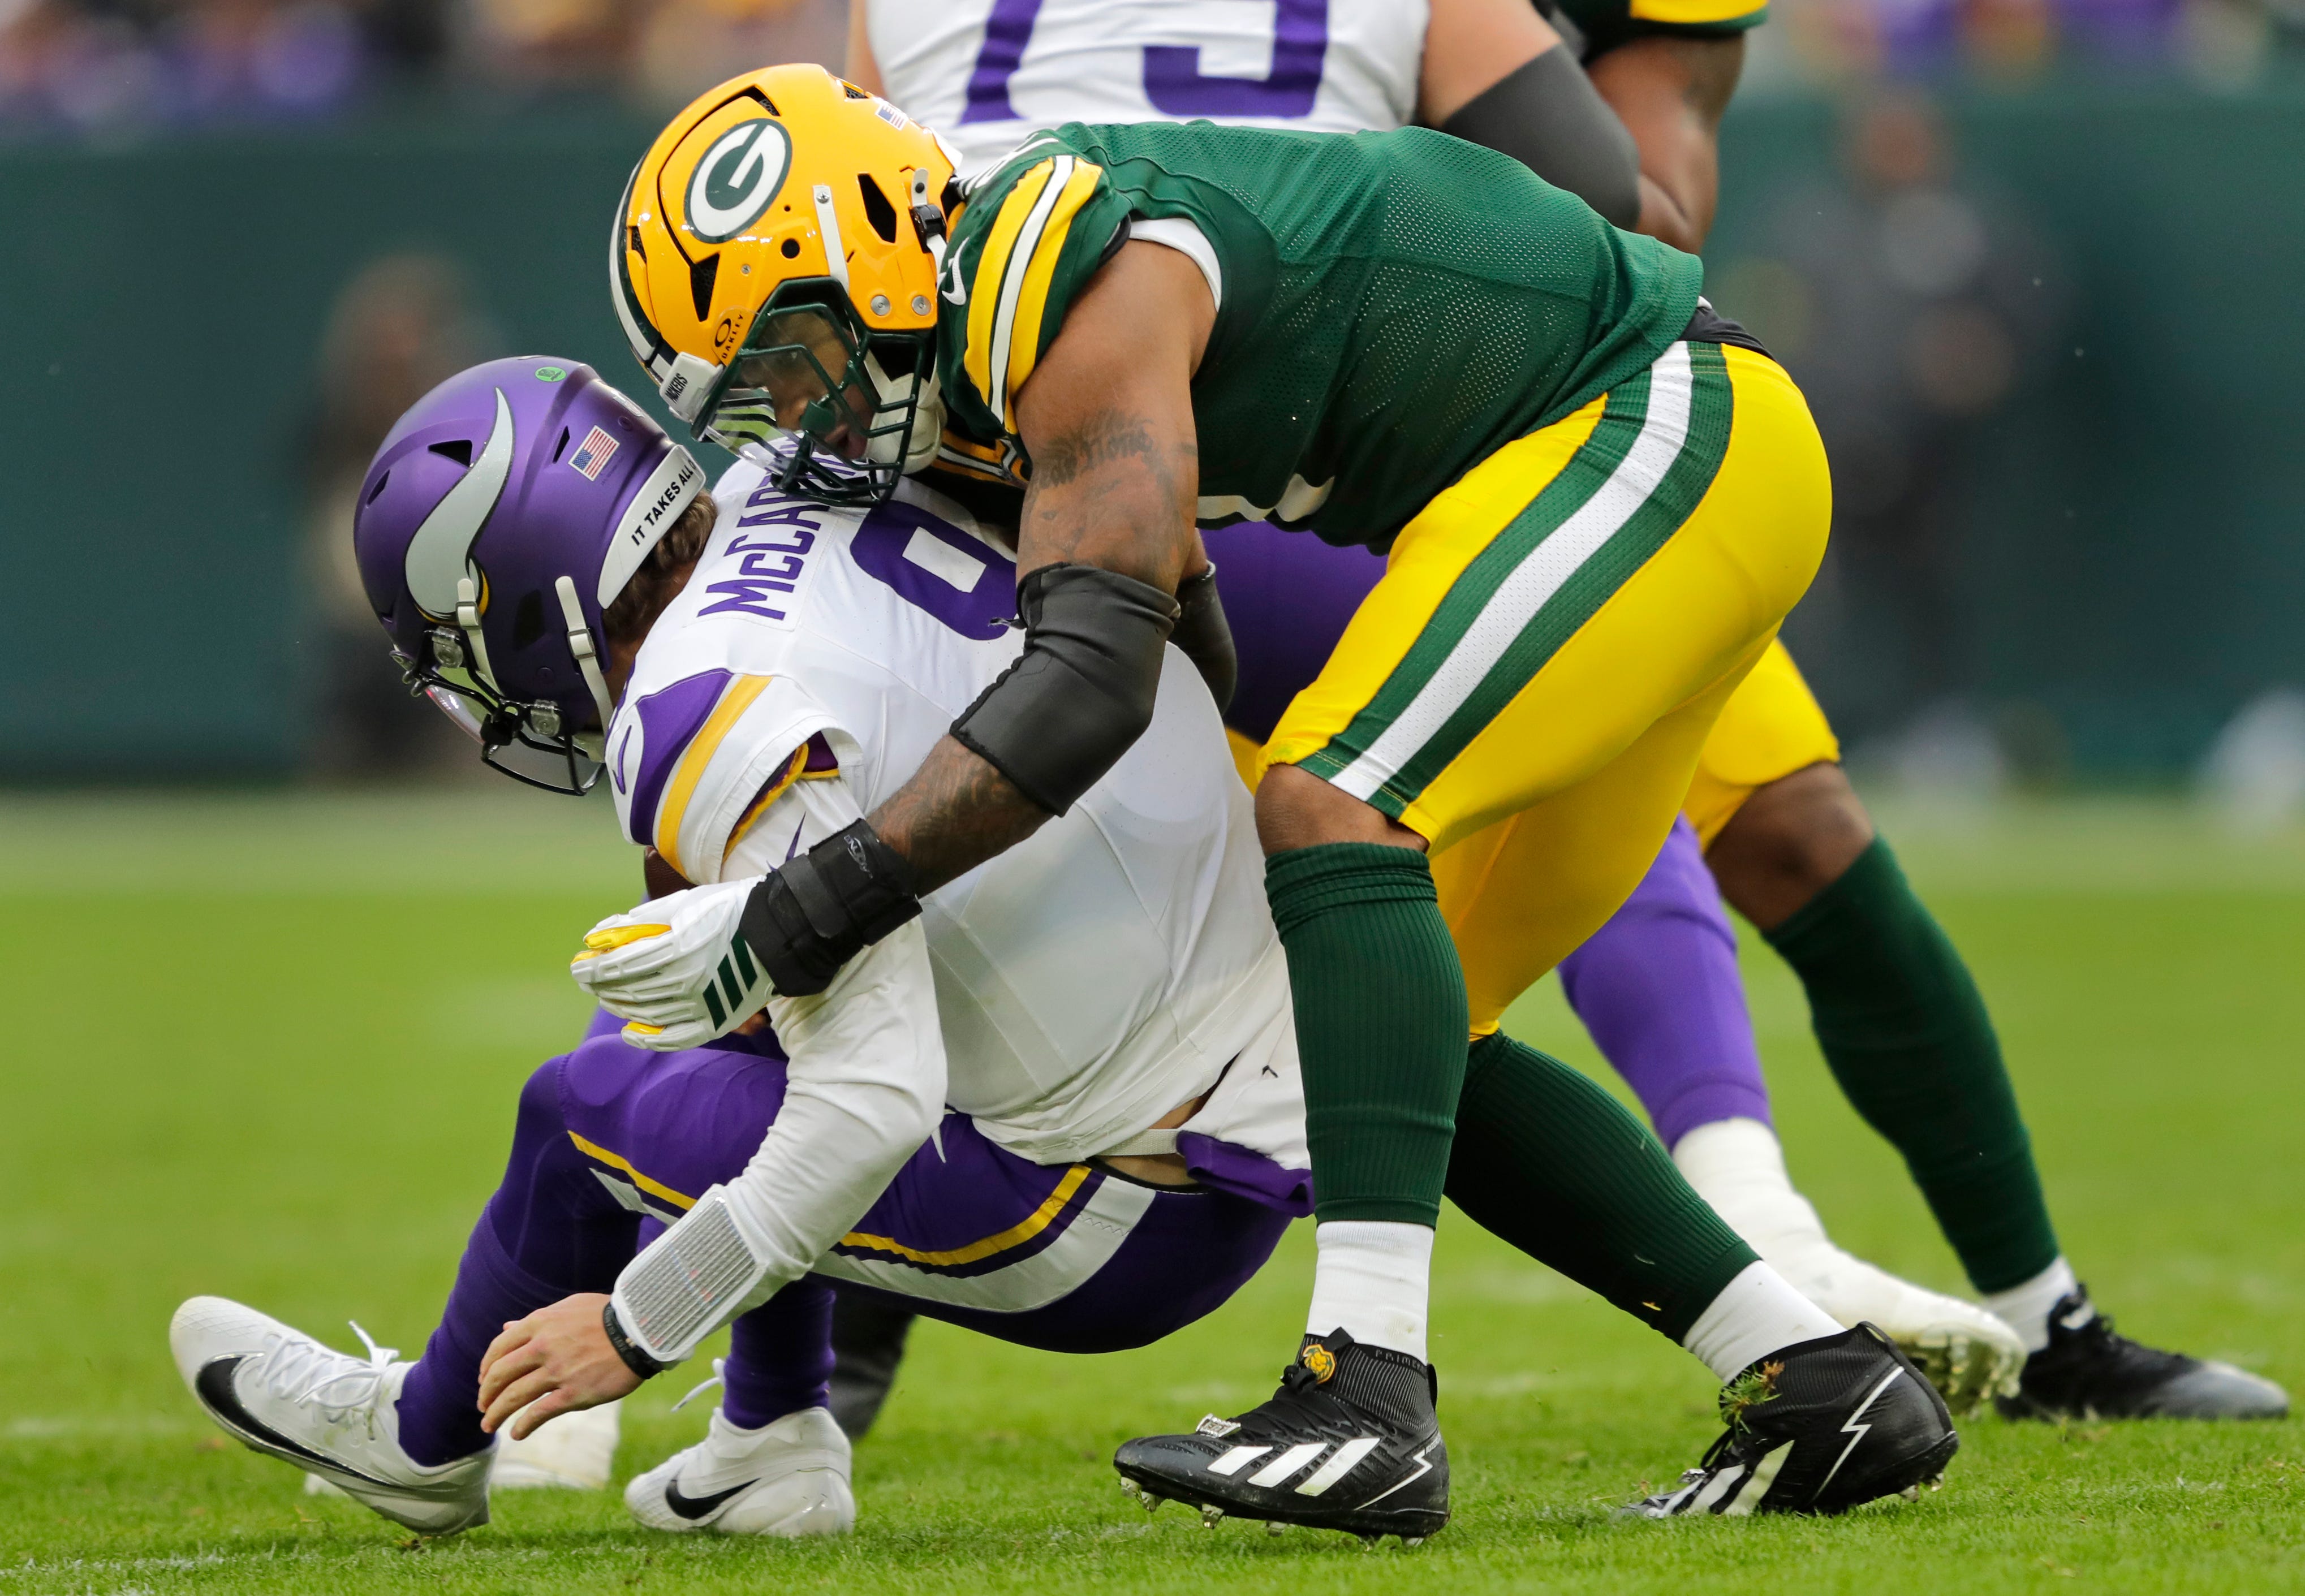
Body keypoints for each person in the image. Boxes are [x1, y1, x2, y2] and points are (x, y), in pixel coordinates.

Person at [170, 357, 1955, 1540]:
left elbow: (865, 1110)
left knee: (588, 1097)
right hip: (1241, 976)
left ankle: (419, 1438)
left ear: (536, 602)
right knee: (1427, 1068)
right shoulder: (822, 481)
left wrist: (636, 1324)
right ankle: (1803, 1357)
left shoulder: (700, 714)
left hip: (1104, 1203)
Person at [843, 0, 2289, 1425]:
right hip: (1329, 454)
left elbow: (852, 184)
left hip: (1420, 449)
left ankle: (822, 1343)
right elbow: (1635, 193)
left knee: (1006, 823)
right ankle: (1791, 1309)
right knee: (1408, 974)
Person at [582, 58, 1883, 1534]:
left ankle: (1365, 1391)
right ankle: (1813, 1375)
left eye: (792, 361)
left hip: (1654, 426)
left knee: (1333, 814)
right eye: (756, 399)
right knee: (1393, 1013)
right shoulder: (991, 332)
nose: (798, 419)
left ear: (871, 237)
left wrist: (809, 904)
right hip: (1601, 459)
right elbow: (1178, 602)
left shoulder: (1054, 275)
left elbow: (1090, 673)